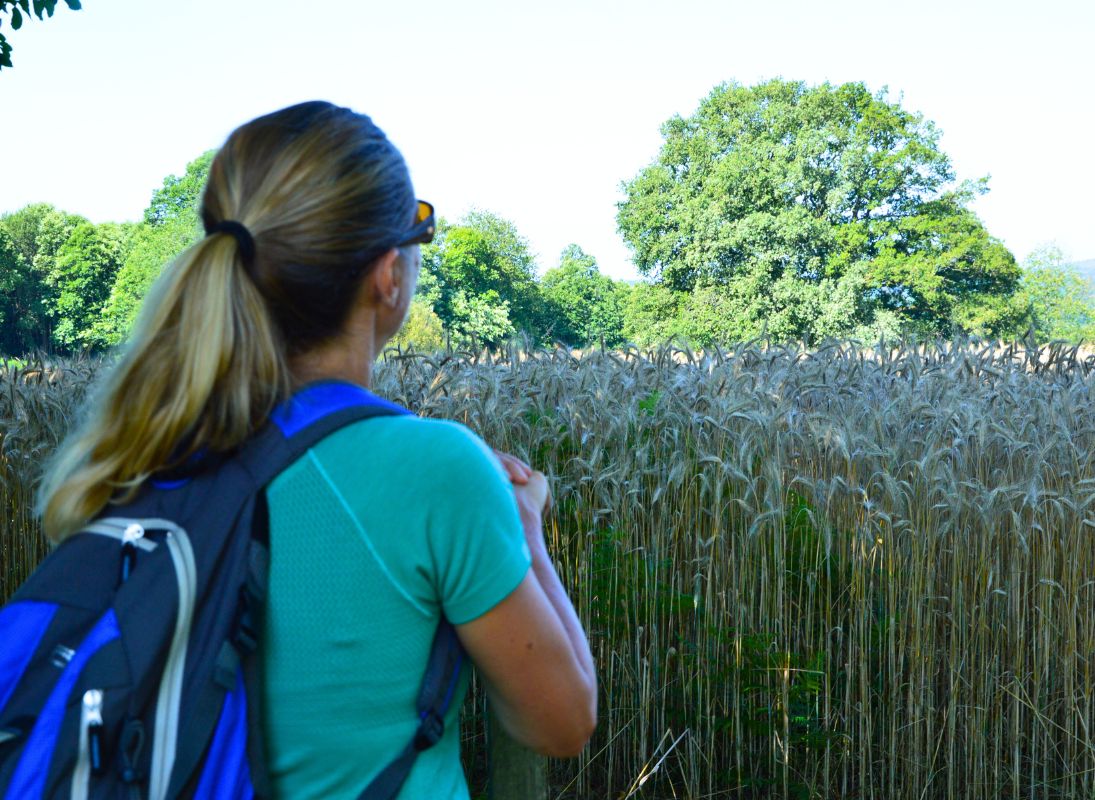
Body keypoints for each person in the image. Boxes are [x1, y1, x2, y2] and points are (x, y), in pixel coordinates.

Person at [38, 101, 597, 798]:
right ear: (387, 275)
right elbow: (562, 723)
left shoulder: (147, 445)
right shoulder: (435, 470)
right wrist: (525, 528)